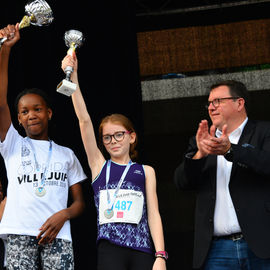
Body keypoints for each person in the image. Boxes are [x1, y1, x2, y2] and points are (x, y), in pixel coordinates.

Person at [61, 52, 167, 270]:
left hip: (143, 249)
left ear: (131, 136)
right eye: (107, 137)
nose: (113, 141)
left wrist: (160, 255)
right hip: (110, 248)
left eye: (119, 135)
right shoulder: (99, 166)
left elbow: (153, 214)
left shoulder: (146, 171)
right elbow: (84, 120)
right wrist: (74, 78)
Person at [0, 24, 87, 269]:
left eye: (37, 109)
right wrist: (6, 50)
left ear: (49, 113)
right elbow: (0, 102)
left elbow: (80, 202)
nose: (31, 115)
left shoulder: (66, 154)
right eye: (24, 112)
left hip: (59, 233)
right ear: (18, 119)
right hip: (18, 231)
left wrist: (64, 214)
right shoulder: (12, 144)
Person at [174, 79, 270, 270]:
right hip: (217, 249)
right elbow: (181, 183)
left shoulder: (264, 131)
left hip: (261, 245)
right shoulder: (202, 140)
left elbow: (266, 163)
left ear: (239, 103)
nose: (211, 107)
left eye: (217, 101)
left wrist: (230, 150)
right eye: (209, 103)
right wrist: (199, 154)